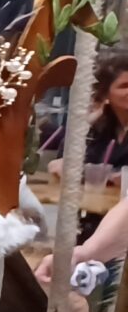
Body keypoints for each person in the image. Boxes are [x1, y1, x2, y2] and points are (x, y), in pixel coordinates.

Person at [35, 47, 128, 283]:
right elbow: (64, 161)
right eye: (124, 86)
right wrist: (87, 120)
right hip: (91, 224)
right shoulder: (101, 128)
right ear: (105, 93)